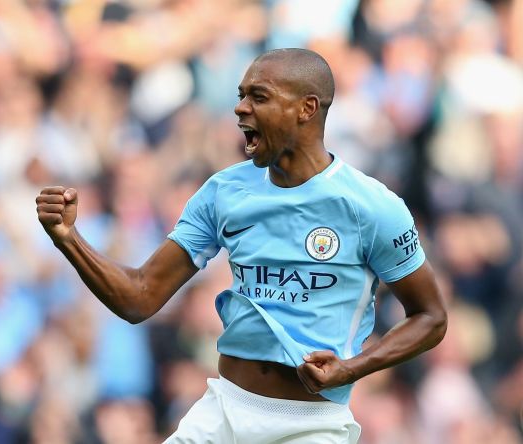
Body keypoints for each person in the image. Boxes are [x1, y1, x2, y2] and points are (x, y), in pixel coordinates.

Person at [35, 48, 447, 444]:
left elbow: (430, 317)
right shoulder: (224, 192)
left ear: (306, 108)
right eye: (241, 95)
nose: (240, 108)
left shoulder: (371, 207)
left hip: (309, 426)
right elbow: (139, 297)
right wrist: (68, 238)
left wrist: (353, 368)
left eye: (259, 97)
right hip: (224, 411)